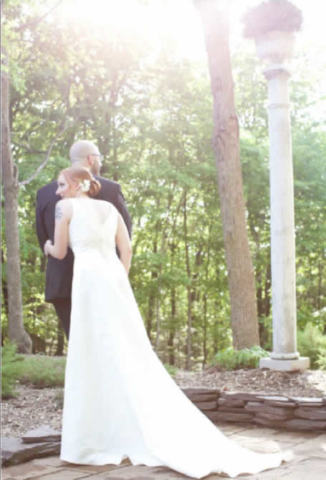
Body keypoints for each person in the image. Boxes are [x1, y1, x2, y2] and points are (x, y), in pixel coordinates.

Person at [43, 165, 292, 478]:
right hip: (115, 283)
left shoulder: (65, 207)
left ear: (78, 184)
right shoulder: (109, 209)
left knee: (91, 352)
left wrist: (47, 247)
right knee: (129, 351)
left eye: (61, 184)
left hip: (89, 282)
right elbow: (127, 249)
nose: (57, 191)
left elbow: (62, 251)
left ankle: (91, 440)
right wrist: (119, 278)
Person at [36, 140, 131, 339]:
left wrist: (49, 247)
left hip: (62, 282)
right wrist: (119, 278)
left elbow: (43, 237)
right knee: (106, 340)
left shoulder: (45, 193)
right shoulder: (111, 190)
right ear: (91, 159)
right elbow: (125, 237)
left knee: (79, 344)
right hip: (103, 279)